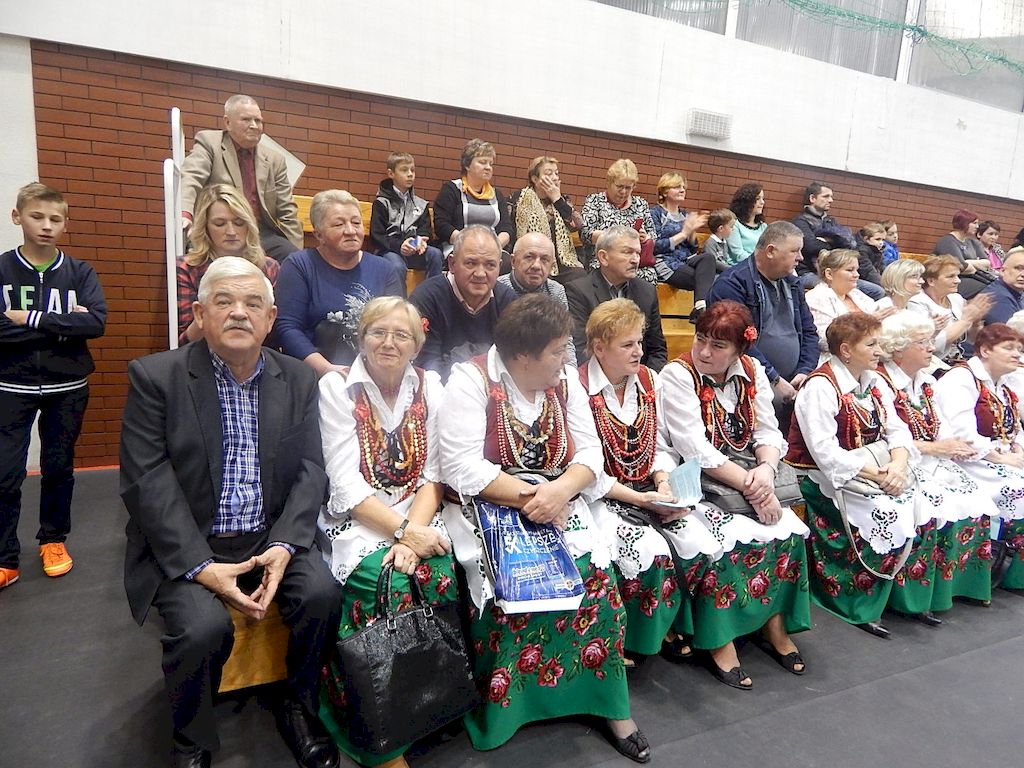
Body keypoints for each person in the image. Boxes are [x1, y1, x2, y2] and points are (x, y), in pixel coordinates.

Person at [119, 257, 341, 768]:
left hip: (269, 534)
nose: (239, 312)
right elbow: (147, 483)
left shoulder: (298, 380)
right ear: (200, 314)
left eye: (252, 303)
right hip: (191, 539)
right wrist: (201, 567)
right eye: (224, 302)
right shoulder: (156, 377)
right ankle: (191, 739)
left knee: (322, 595)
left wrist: (285, 544)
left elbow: (312, 469)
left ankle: (298, 706)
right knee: (201, 630)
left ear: (270, 318)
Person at [439, 293, 649, 762]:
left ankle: (608, 703)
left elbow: (590, 454)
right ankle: (508, 708)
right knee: (511, 587)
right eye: (557, 351)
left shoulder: (564, 382)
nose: (566, 359)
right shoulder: (471, 380)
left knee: (595, 580)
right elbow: (460, 467)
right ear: (522, 356)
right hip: (490, 508)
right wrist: (534, 498)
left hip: (557, 500)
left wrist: (560, 492)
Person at [317, 297, 454, 768]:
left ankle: (428, 705)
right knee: (388, 587)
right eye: (378, 332)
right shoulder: (338, 389)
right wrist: (404, 533)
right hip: (361, 520)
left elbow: (434, 474)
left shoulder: (431, 387)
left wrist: (415, 532)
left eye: (401, 335)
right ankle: (379, 736)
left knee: (442, 576)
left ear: (417, 344)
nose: (389, 343)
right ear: (361, 338)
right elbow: (346, 484)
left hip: (418, 513)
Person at [659, 301, 811, 689]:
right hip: (693, 479)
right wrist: (754, 488)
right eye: (700, 339)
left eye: (718, 345)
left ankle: (773, 623)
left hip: (747, 473)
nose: (704, 351)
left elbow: (767, 431)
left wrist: (766, 470)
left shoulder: (752, 370)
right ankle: (720, 639)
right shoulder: (678, 375)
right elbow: (693, 448)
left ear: (740, 349)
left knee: (788, 534)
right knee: (722, 543)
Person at [582, 299, 722, 664]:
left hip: (647, 488)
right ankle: (633, 637)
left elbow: (660, 444)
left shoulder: (649, 380)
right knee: (649, 550)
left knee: (700, 541)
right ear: (599, 347)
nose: (639, 351)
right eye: (627, 344)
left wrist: (662, 483)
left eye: (640, 342)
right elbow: (587, 470)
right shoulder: (577, 386)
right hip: (602, 495)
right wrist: (640, 499)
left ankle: (676, 623)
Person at [786, 313, 920, 639]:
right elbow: (825, 454)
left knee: (923, 503)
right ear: (846, 350)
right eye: (871, 344)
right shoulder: (820, 387)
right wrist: (880, 475)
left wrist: (897, 466)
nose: (879, 351)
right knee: (884, 512)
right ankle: (855, 602)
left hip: (872, 470)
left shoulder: (874, 382)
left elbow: (898, 430)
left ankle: (901, 594)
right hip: (821, 477)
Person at [0, 183, 106, 589]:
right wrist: (65, 326)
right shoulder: (3, 269)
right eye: (37, 216)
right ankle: (5, 557)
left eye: (55, 219)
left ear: (65, 224)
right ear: (17, 217)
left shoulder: (80, 272)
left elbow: (95, 322)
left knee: (59, 468)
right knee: (5, 473)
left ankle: (53, 540)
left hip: (69, 386)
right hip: (11, 386)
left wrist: (27, 318)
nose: (46, 226)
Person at [877, 312, 1000, 612]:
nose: (932, 348)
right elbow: (885, 439)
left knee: (976, 498)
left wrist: (953, 444)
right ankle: (919, 597)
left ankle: (960, 586)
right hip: (902, 462)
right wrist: (937, 447)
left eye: (931, 340)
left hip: (933, 459)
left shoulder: (925, 380)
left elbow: (941, 424)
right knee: (934, 506)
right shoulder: (881, 382)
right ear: (899, 348)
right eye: (922, 342)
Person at [273, 189, 404, 376]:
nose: (350, 231)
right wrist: (327, 369)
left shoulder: (384, 270)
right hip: (312, 373)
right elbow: (287, 329)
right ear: (318, 235)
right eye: (338, 224)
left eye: (356, 223)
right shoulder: (299, 265)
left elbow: (398, 326)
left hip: (373, 373)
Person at [934, 323, 1024, 591]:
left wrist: (1018, 448)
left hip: (999, 456)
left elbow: (1015, 425)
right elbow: (962, 434)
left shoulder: (1004, 383)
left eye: (1019, 350)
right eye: (1009, 348)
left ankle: (1014, 572)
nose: (1017, 354)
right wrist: (1002, 458)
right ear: (985, 350)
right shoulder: (961, 379)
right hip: (967, 460)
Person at [707, 221, 819, 425]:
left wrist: (805, 371)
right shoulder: (732, 284)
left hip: (794, 379)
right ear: (770, 251)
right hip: (748, 380)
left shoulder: (793, 284)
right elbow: (737, 342)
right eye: (795, 251)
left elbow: (810, 332)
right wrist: (774, 378)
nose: (801, 258)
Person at [180, 94, 302, 262]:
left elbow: (287, 209)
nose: (254, 126)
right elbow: (191, 177)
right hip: (218, 232)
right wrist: (185, 213)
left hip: (259, 233)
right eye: (246, 120)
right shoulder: (209, 142)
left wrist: (297, 257)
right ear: (228, 122)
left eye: (258, 121)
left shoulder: (275, 159)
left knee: (292, 259)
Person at [409, 225, 516, 381]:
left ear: (499, 267)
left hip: (494, 390)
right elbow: (427, 368)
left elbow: (514, 361)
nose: (480, 273)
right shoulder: (426, 299)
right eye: (471, 263)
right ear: (452, 264)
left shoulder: (508, 301)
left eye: (490, 265)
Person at [176, 184, 280, 344]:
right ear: (205, 227)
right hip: (203, 352)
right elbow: (184, 340)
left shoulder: (269, 268)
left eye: (239, 223)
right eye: (220, 224)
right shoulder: (186, 267)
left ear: (249, 224)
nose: (231, 232)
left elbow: (276, 329)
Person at [565, 225, 668, 371]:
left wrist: (646, 379)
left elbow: (657, 350)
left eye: (638, 253)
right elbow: (581, 349)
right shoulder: (578, 291)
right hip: (596, 378)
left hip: (637, 376)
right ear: (603, 257)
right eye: (627, 252)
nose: (635, 260)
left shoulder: (647, 291)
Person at [791, 181, 884, 299]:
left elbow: (847, 245)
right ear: (812, 198)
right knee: (839, 289)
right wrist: (834, 243)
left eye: (831, 197)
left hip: (835, 273)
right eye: (826, 196)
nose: (831, 200)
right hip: (808, 273)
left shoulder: (830, 221)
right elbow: (810, 246)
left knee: (877, 291)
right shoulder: (800, 221)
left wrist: (828, 242)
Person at [497, 232, 576, 364]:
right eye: (529, 257)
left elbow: (565, 340)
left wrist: (571, 373)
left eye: (544, 260)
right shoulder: (498, 289)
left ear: (552, 266)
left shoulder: (556, 291)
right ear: (513, 261)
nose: (536, 266)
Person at [369, 151, 444, 288]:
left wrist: (420, 241)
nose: (410, 174)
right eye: (404, 170)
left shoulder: (421, 204)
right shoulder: (381, 203)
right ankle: (400, 301)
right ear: (391, 174)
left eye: (412, 170)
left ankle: (432, 296)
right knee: (397, 266)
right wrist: (399, 246)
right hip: (390, 250)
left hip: (413, 249)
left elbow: (425, 230)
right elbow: (377, 236)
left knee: (436, 254)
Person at [649, 172, 716, 318]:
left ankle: (700, 307)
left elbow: (693, 248)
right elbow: (655, 246)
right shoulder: (655, 213)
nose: (682, 190)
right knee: (705, 279)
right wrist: (684, 234)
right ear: (664, 192)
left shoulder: (685, 214)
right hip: (666, 262)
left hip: (685, 260)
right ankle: (701, 311)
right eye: (677, 187)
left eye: (683, 187)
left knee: (709, 258)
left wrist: (691, 233)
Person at [433, 139, 514, 259]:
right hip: (458, 247)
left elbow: (506, 227)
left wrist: (494, 245)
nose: (488, 167)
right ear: (467, 165)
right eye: (482, 162)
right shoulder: (452, 189)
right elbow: (442, 225)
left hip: (492, 250)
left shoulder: (497, 194)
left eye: (491, 164)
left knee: (507, 262)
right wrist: (471, 245)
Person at [580, 159, 657, 284]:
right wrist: (617, 238)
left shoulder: (641, 204)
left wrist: (646, 237)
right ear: (609, 183)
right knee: (615, 272)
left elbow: (653, 235)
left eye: (628, 188)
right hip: (605, 261)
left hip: (634, 261)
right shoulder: (595, 201)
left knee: (650, 275)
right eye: (619, 186)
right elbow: (585, 234)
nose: (623, 192)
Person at [907, 255, 991, 366]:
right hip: (931, 364)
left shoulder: (956, 298)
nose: (958, 281)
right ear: (931, 281)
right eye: (951, 276)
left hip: (958, 360)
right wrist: (965, 321)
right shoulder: (917, 303)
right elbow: (933, 345)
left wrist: (975, 322)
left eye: (957, 275)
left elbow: (972, 339)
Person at [512, 155, 584, 282]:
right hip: (533, 259)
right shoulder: (520, 199)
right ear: (535, 179)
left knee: (579, 275)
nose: (555, 178)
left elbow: (578, 225)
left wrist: (557, 200)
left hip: (562, 261)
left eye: (556, 173)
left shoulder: (563, 200)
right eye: (549, 174)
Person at [805, 249, 885, 362]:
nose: (857, 275)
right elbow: (825, 341)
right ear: (829, 274)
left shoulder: (857, 294)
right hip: (834, 361)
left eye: (857, 270)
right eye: (850, 270)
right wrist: (867, 323)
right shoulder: (816, 297)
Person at [933, 209, 994, 299]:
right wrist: (972, 264)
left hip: (973, 278)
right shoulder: (948, 241)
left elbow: (987, 263)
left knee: (997, 287)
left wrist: (968, 262)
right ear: (964, 223)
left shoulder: (973, 242)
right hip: (954, 280)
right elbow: (961, 267)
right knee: (990, 290)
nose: (977, 226)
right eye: (974, 223)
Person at [980, 246, 1024, 325]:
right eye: (1018, 268)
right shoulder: (998, 297)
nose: (1023, 274)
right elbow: (1010, 331)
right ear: (1003, 271)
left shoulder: (1017, 292)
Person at [725, 183, 767, 264]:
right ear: (747, 201)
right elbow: (738, 254)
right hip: (739, 266)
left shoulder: (763, 226)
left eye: (763, 198)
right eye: (758, 199)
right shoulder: (734, 224)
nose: (762, 202)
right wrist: (761, 262)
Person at [854, 222, 886, 287]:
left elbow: (882, 268)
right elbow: (867, 271)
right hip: (858, 279)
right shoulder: (861, 251)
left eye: (883, 240)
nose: (881, 243)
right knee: (879, 291)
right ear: (866, 239)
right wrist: (884, 285)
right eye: (878, 239)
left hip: (871, 279)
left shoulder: (877, 250)